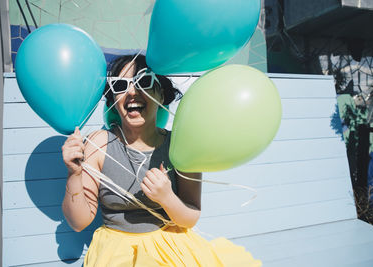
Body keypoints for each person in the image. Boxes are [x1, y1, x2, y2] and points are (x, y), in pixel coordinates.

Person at [62, 54, 262, 266]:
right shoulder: (99, 144)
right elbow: (79, 222)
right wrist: (74, 174)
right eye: (121, 85)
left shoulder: (179, 144)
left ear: (161, 93)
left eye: (143, 82)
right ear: (113, 100)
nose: (132, 92)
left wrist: (166, 197)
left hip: (171, 247)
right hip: (117, 252)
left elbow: (191, 216)